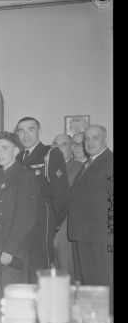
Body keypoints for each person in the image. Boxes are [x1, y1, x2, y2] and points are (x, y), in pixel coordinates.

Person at [0, 132, 39, 306]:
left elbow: (26, 218)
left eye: (4, 148)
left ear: (16, 150)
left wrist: (10, 250)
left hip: (11, 250)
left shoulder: (25, 176)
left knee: (13, 300)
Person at [16, 117, 69, 281]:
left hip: (42, 222)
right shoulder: (18, 158)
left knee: (40, 271)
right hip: (22, 223)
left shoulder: (50, 153)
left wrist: (54, 222)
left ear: (39, 131)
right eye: (21, 131)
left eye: (30, 129)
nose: (26, 135)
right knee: (23, 272)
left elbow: (61, 194)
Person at [68, 125, 113, 311]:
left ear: (105, 139)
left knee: (104, 284)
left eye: (95, 138)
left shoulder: (110, 161)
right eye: (87, 138)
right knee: (89, 284)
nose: (90, 142)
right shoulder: (89, 163)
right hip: (84, 234)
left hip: (101, 236)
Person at [51, 133, 84, 278]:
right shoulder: (47, 168)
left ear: (71, 148)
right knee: (48, 274)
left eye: (63, 144)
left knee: (67, 273)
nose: (59, 148)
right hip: (47, 229)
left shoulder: (80, 168)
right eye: (55, 145)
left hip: (67, 230)